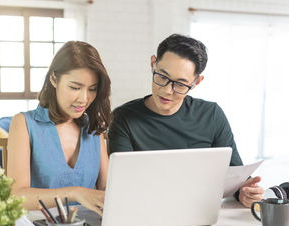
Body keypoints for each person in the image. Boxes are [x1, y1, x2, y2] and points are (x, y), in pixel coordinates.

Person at [108, 34, 263, 208]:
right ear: (153, 64)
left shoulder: (211, 115)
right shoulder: (123, 118)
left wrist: (244, 192)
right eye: (162, 77)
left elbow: (235, 175)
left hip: (201, 214)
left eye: (180, 84)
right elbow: (122, 185)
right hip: (146, 211)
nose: (167, 90)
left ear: (196, 82)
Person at [8, 41, 111, 216]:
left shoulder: (93, 129)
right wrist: (75, 193)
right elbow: (16, 196)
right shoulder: (24, 123)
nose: (84, 99)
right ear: (54, 79)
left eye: (92, 89)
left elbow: (108, 189)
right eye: (75, 87)